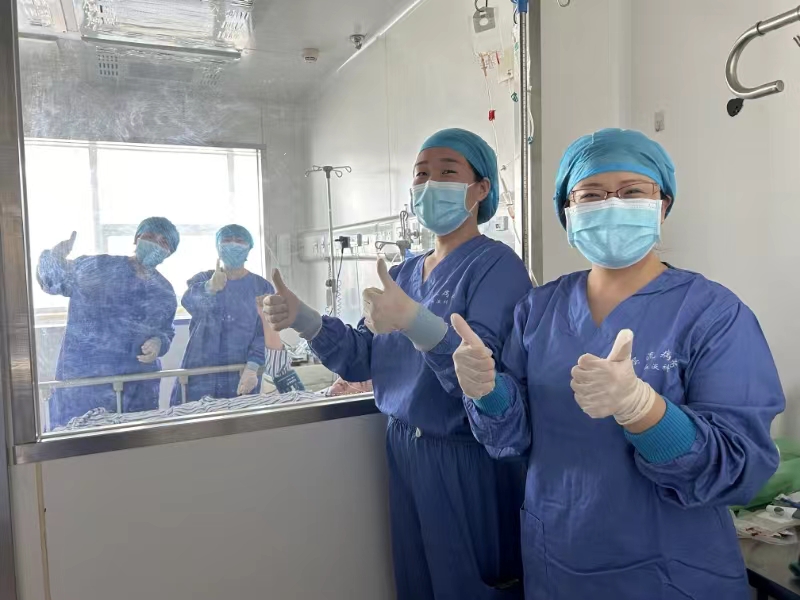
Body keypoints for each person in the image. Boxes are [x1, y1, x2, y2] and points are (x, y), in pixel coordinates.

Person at [450, 128, 785, 600]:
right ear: (567, 212)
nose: (612, 204)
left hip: (672, 570)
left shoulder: (713, 314)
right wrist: (488, 392)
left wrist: (644, 411)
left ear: (663, 205)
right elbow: (515, 438)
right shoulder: (538, 310)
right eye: (590, 194)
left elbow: (740, 466)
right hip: (559, 559)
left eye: (632, 192)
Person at [262, 128, 532, 600]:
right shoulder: (405, 272)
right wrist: (303, 318)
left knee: (469, 585)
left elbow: (477, 374)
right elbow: (362, 356)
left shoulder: (496, 266)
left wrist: (414, 321)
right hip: (403, 447)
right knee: (418, 582)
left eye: (447, 172)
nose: (430, 184)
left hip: (464, 455)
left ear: (481, 188)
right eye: (421, 174)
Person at [38, 216, 180, 428]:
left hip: (137, 386)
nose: (155, 244)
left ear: (169, 252)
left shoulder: (164, 291)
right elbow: (52, 282)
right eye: (150, 237)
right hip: (85, 381)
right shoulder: (97, 267)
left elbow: (165, 332)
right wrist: (55, 257)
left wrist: (159, 344)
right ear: (136, 238)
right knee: (78, 439)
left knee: (134, 442)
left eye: (163, 242)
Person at [170, 224, 276, 404]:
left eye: (239, 241)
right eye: (227, 240)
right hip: (200, 371)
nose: (233, 244)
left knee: (238, 419)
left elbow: (265, 332)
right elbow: (188, 302)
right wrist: (209, 288)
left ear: (249, 247)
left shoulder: (262, 287)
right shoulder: (203, 279)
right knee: (193, 417)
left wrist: (252, 367)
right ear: (218, 246)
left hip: (241, 373)